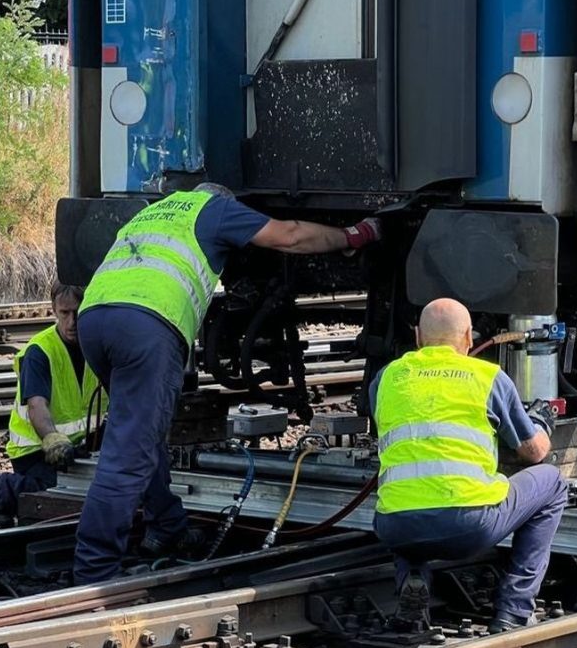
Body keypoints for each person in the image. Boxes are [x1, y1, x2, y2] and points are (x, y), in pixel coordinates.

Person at [73, 182, 382, 583]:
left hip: (95, 319)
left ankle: (167, 525)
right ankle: (94, 570)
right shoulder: (216, 208)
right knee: (127, 455)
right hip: (146, 325)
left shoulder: (159, 210)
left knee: (140, 434)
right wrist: (353, 236)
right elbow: (289, 236)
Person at [369, 298, 567, 633]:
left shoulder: (386, 377)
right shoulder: (486, 376)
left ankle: (412, 592)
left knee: (410, 493)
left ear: (418, 336)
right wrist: (542, 423)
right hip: (469, 526)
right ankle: (514, 611)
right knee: (552, 483)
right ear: (469, 338)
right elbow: (533, 453)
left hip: (394, 528)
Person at [0, 282, 107, 528]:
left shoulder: (97, 346)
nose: (72, 322)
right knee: (66, 493)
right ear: (54, 310)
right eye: (65, 313)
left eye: (78, 313)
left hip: (79, 445)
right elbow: (37, 405)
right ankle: (6, 487)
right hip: (36, 451)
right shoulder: (39, 352)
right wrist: (52, 438)